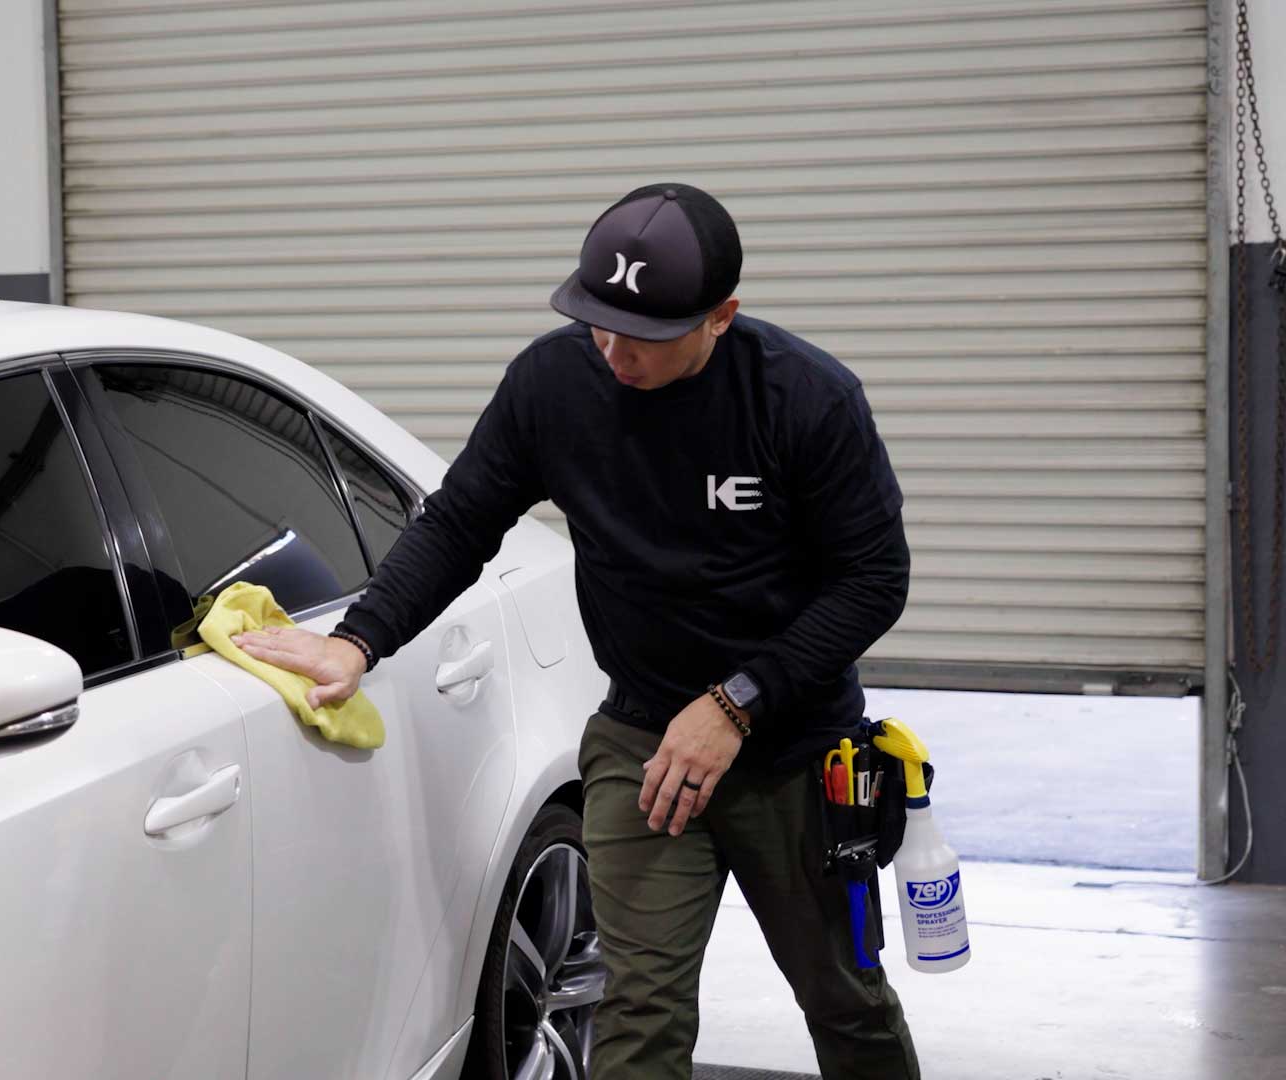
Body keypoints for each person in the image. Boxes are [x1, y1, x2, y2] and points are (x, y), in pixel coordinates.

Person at [232, 183, 920, 1079]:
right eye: (596, 321)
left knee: (845, 999)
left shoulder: (805, 401)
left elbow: (874, 581)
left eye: (644, 335)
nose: (612, 350)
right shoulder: (554, 384)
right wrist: (359, 639)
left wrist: (737, 703)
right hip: (641, 739)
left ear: (721, 317)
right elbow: (460, 521)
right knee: (639, 1006)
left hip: (794, 746)